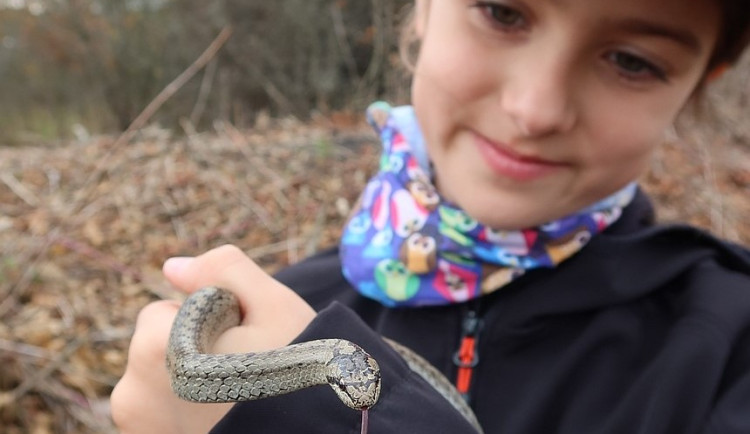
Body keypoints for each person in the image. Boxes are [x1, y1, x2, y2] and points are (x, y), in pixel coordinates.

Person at [111, 0, 750, 432]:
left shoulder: (730, 350)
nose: (535, 109)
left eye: (633, 60)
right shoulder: (282, 306)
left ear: (700, 82)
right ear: (418, 11)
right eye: (502, 11)